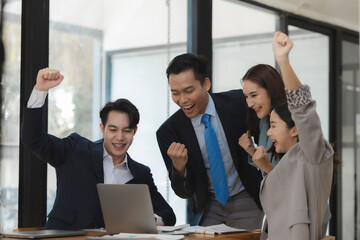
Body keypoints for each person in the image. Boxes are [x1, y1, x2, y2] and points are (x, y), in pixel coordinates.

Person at [21, 68, 176, 230]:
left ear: (134, 132)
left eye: (127, 131)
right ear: (102, 128)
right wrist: (40, 90)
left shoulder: (140, 173)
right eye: (113, 130)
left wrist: (151, 220)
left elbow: (167, 214)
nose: (120, 137)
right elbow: (33, 139)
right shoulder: (75, 149)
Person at [238, 32, 332, 237]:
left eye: (274, 126)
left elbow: (303, 111)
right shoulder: (267, 129)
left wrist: (283, 61)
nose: (249, 102)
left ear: (295, 128)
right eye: (246, 96)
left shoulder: (312, 152)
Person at [156, 53, 263, 228]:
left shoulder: (239, 102)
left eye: (188, 91)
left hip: (248, 197)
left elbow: (268, 137)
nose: (182, 100)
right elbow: (183, 192)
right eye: (175, 93)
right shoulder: (168, 132)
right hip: (209, 206)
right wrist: (179, 167)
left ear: (206, 84)